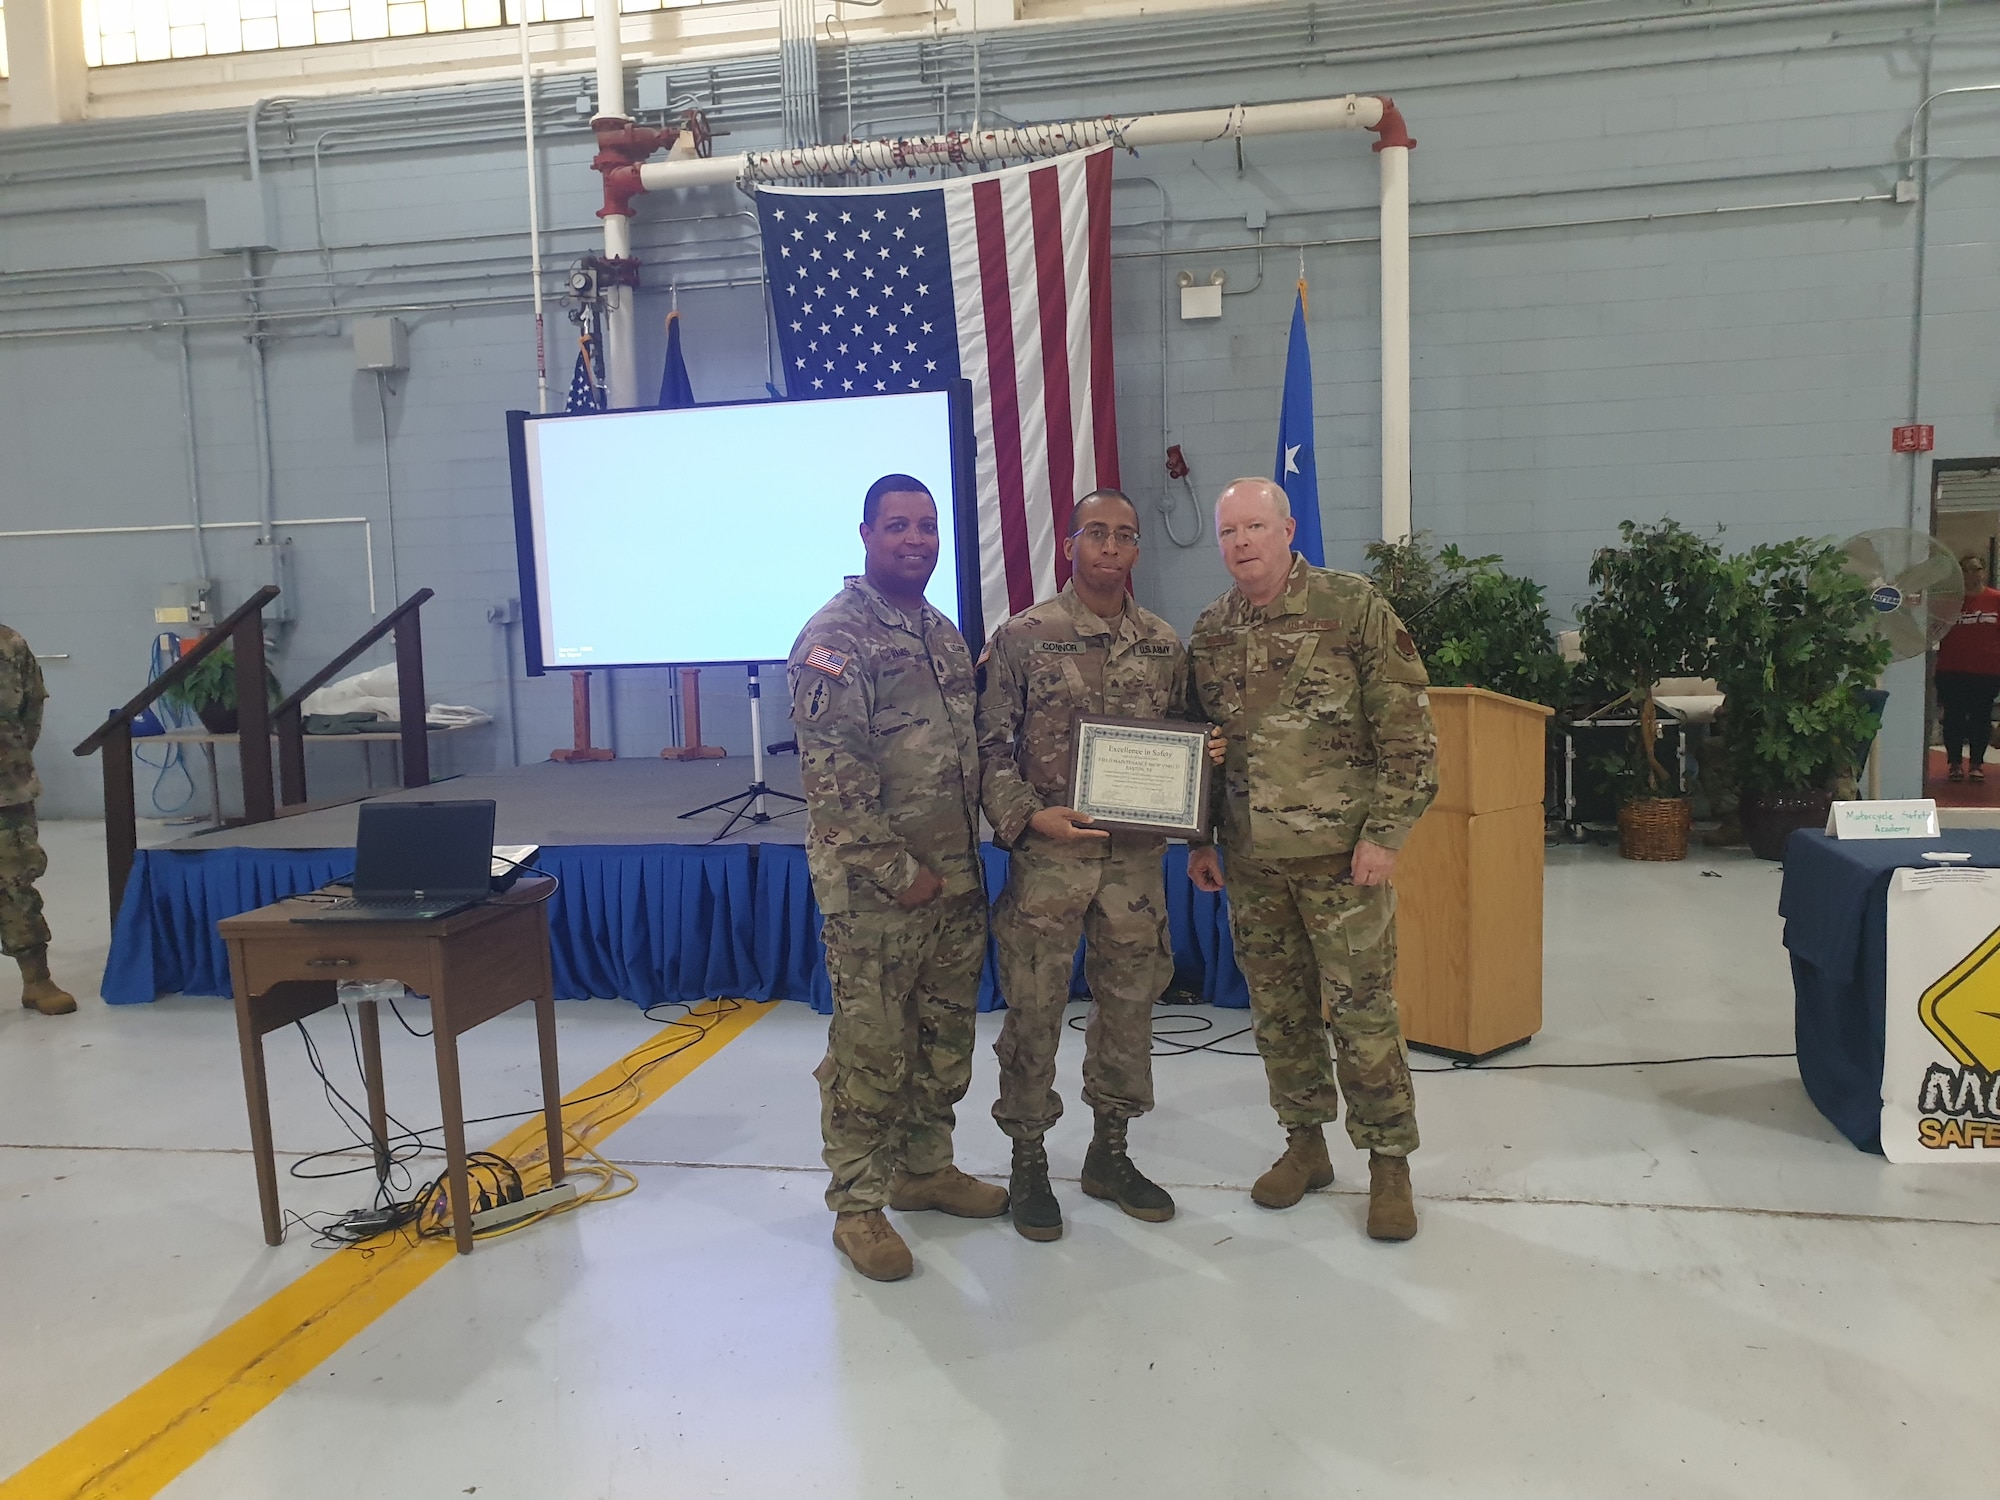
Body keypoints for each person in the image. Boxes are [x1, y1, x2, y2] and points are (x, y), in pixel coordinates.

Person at [1184, 478, 1436, 1241]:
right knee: (1280, 1015)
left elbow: (1409, 731)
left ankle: (1388, 1163)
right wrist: (1200, 837)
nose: (1241, 543)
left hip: (1340, 860)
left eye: (1256, 526)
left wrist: (1385, 834)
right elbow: (1200, 746)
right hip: (1253, 862)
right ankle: (1305, 1145)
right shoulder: (1212, 630)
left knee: (1363, 1015)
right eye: (1229, 532)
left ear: (1287, 529)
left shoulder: (1350, 606)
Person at [787, 474, 1008, 1282]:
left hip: (952, 880)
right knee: (872, 1046)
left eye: (927, 526)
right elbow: (834, 779)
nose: (915, 539)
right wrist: (896, 870)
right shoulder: (835, 640)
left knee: (943, 1038)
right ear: (866, 534)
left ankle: (924, 1167)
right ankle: (858, 1204)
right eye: (898, 526)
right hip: (878, 891)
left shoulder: (940, 633)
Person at [977, 489, 1187, 1242]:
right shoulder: (1026, 637)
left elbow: (1185, 745)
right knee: (1034, 1010)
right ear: (1070, 544)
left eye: (1124, 536)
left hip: (1133, 868)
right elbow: (990, 749)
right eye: (1095, 533)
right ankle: (1028, 1158)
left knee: (1128, 1008)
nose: (1109, 546)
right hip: (1050, 862)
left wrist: (1202, 766)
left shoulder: (1164, 643)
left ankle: (1111, 1151)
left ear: (1135, 551)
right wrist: (1029, 814)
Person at [0, 624, 73, 1016]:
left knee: (15, 885)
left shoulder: (9, 644)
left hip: (5, 790)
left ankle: (36, 980)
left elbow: (31, 713)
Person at [1934, 553, 2000, 784]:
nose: (1973, 574)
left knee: (1981, 717)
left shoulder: (1995, 599)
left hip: (1986, 670)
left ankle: (1976, 763)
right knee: (1954, 717)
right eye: (1967, 570)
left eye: (1977, 569)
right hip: (1952, 669)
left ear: (1984, 571)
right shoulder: (1949, 602)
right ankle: (1954, 763)